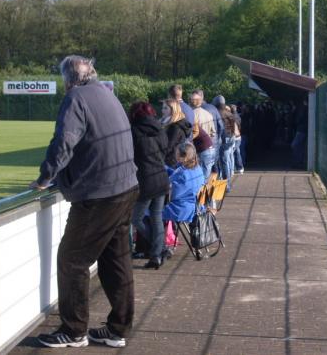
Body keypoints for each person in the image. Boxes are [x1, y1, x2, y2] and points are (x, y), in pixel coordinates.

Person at [30, 55, 138, 349]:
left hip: (100, 193)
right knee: (116, 259)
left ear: (68, 79)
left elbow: (64, 142)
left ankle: (74, 330)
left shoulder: (76, 98)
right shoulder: (105, 93)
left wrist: (44, 178)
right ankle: (118, 328)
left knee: (72, 259)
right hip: (126, 187)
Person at [128, 101, 170, 270]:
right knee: (156, 217)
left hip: (145, 181)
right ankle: (157, 253)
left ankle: (157, 248)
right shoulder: (160, 129)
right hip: (161, 178)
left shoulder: (134, 132)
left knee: (136, 218)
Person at [162, 142, 205, 226]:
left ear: (184, 157)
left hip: (180, 210)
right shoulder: (198, 168)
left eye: (177, 154)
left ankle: (156, 238)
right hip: (196, 207)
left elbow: (171, 196)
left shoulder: (182, 173)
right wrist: (166, 168)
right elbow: (181, 179)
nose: (175, 155)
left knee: (149, 212)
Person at [212, 95, 236, 187]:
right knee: (226, 160)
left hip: (222, 139)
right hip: (230, 137)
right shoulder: (229, 113)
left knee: (222, 161)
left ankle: (225, 185)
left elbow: (218, 128)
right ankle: (226, 183)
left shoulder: (217, 113)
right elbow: (233, 126)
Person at [161, 99, 192, 168]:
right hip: (172, 159)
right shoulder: (169, 123)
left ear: (173, 110)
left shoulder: (175, 127)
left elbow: (169, 146)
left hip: (171, 161)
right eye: (162, 108)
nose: (162, 110)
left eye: (165, 108)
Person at [192, 116, 216, 180]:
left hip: (206, 151)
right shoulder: (196, 127)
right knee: (206, 173)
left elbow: (191, 138)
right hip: (209, 150)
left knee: (204, 175)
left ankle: (203, 189)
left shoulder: (195, 128)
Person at [291, 100, 308, 169]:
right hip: (303, 129)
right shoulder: (305, 109)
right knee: (300, 146)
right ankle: (299, 161)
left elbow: (299, 119)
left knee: (295, 145)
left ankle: (297, 162)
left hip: (301, 129)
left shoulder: (303, 109)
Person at [230, 104, 244, 174]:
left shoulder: (231, 117)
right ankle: (240, 167)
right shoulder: (238, 116)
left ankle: (232, 168)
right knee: (237, 152)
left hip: (234, 136)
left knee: (231, 152)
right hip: (238, 136)